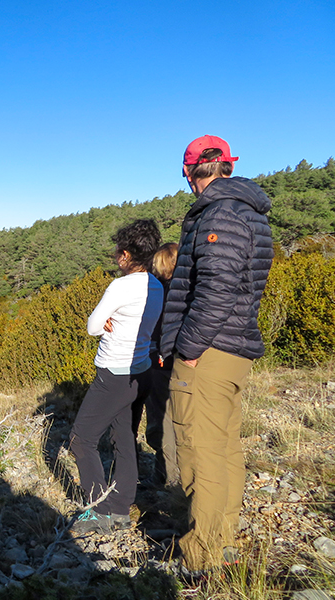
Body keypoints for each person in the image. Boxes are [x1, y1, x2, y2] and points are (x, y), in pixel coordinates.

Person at [159, 135, 273, 571]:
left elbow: (216, 290)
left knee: (198, 454)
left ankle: (200, 559)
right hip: (234, 349)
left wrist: (188, 348)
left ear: (188, 172)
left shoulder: (219, 214)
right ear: (227, 165)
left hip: (208, 353)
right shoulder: (246, 211)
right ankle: (222, 540)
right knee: (223, 449)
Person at [70, 219, 163, 534]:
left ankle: (98, 511)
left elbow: (92, 327)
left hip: (114, 374)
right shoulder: (156, 285)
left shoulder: (120, 287)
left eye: (117, 251)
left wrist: (107, 319)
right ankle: (121, 508)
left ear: (126, 255)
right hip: (141, 371)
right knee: (123, 438)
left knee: (82, 440)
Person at [131, 242, 180, 487]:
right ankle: (169, 473)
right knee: (175, 418)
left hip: (159, 360)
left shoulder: (160, 291)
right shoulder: (187, 291)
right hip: (180, 361)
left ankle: (167, 476)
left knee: (161, 418)